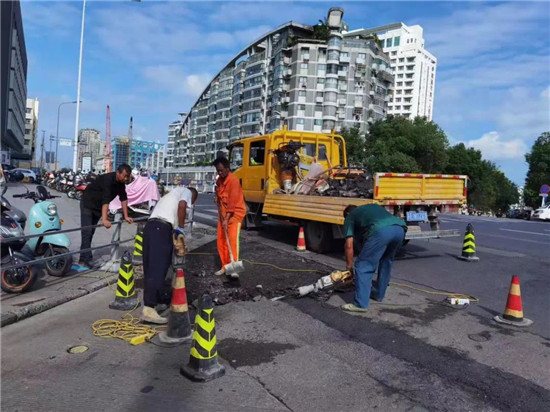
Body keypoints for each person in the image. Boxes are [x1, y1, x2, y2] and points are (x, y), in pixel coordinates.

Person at [141, 185, 198, 324]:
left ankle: (157, 301)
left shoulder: (170, 195)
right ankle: (148, 309)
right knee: (158, 269)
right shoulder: (185, 192)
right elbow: (182, 206)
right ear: (192, 196)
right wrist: (181, 229)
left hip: (150, 228)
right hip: (161, 229)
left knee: (151, 268)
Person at [341, 204, 407, 313]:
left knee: (362, 265)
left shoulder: (350, 217)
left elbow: (349, 245)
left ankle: (360, 304)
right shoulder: (371, 207)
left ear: (347, 214)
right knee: (386, 261)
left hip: (382, 231)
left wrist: (349, 268)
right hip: (400, 229)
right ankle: (378, 294)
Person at [79, 164, 133, 268]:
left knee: (90, 232)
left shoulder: (121, 183)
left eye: (128, 176)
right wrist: (104, 219)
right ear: (118, 172)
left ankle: (83, 257)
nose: (126, 178)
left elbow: (124, 198)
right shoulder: (108, 180)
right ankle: (87, 259)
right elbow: (106, 200)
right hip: (88, 203)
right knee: (87, 231)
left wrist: (126, 216)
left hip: (98, 207)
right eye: (125, 176)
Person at [213, 157, 246, 277]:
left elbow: (232, 204)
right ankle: (225, 266)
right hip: (222, 214)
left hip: (234, 215)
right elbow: (219, 196)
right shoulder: (219, 181)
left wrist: (227, 220)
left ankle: (233, 268)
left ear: (227, 168)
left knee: (232, 241)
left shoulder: (233, 182)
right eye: (218, 171)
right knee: (221, 241)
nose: (220, 173)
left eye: (221, 170)